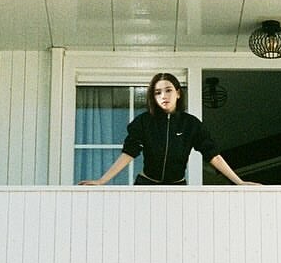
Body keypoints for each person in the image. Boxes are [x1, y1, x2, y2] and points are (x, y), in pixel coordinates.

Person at [79, 72, 256, 186]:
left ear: (178, 93)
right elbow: (129, 153)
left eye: (168, 90)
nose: (163, 96)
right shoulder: (144, 122)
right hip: (146, 184)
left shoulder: (190, 124)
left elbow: (212, 155)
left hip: (177, 186)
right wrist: (102, 181)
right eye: (157, 92)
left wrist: (239, 182)